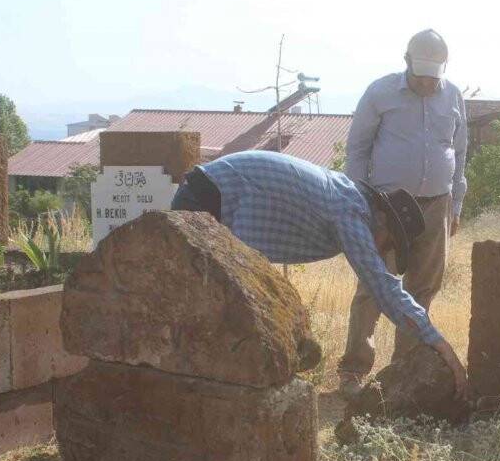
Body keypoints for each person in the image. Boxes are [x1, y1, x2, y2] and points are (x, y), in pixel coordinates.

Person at [170, 149, 468, 394]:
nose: (383, 252)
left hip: (214, 195)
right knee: (190, 307)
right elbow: (382, 285)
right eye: (389, 243)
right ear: (381, 219)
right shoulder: (351, 212)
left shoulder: (347, 197)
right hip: (206, 198)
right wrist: (439, 343)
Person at [338, 28, 468, 392]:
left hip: (436, 206)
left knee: (423, 287)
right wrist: (359, 203)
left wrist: (455, 205)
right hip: (385, 206)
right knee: (374, 284)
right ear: (406, 61)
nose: (426, 82)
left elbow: (459, 154)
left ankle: (403, 372)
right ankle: (354, 369)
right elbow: (357, 151)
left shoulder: (454, 96)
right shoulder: (380, 93)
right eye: (420, 73)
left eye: (433, 75)